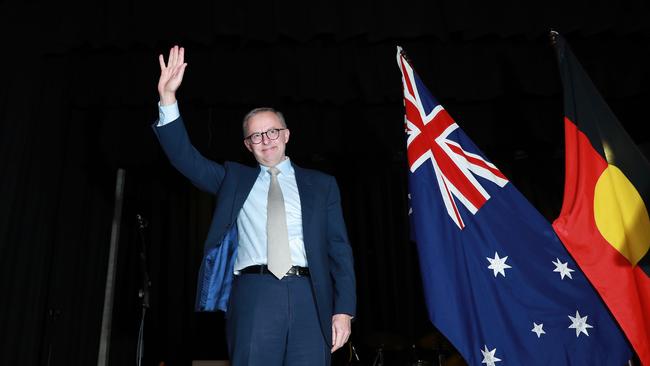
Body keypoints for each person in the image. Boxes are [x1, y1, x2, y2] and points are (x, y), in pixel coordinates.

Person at [153, 45, 356, 366]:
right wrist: (168, 99)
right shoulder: (233, 179)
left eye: (273, 131)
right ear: (248, 145)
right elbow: (184, 158)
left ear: (286, 135)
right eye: (256, 136)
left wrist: (344, 310)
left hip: (310, 296)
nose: (266, 139)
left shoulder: (321, 185)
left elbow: (339, 249)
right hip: (254, 293)